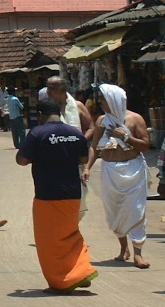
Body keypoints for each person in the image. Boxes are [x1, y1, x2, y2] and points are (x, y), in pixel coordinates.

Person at [16, 98, 98, 292]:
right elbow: (83, 159)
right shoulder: (75, 133)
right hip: (72, 194)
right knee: (71, 234)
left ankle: (61, 281)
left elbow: (21, 160)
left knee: (49, 242)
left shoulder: (37, 133)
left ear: (42, 115)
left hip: (47, 194)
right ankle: (81, 272)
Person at [86, 83, 150, 268]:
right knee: (114, 211)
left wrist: (126, 137)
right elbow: (94, 146)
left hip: (133, 170)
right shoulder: (101, 121)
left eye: (103, 99)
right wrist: (87, 167)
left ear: (114, 100)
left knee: (136, 209)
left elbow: (146, 145)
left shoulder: (135, 119)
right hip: (109, 170)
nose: (100, 103)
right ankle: (123, 249)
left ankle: (138, 253)